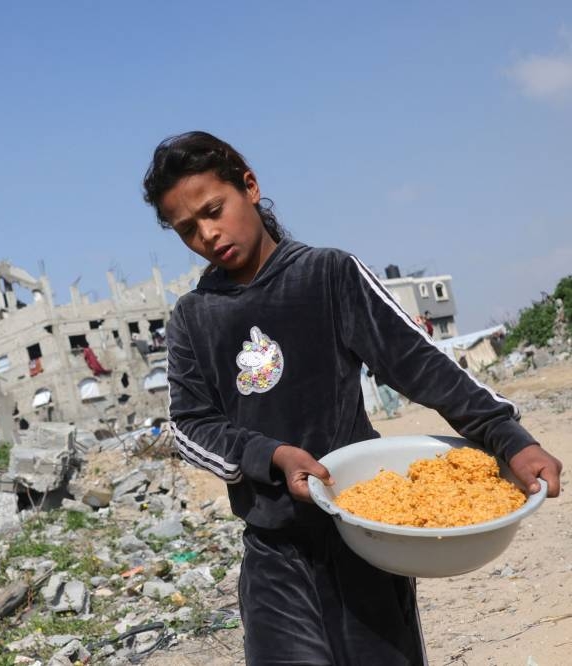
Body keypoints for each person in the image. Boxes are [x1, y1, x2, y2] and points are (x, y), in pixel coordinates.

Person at [142, 131, 562, 666]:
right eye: (188, 230)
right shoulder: (194, 318)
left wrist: (509, 437)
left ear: (249, 186)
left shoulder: (328, 276)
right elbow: (191, 427)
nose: (208, 234)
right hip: (274, 553)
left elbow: (421, 365)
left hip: (363, 536)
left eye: (214, 210)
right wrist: (269, 456)